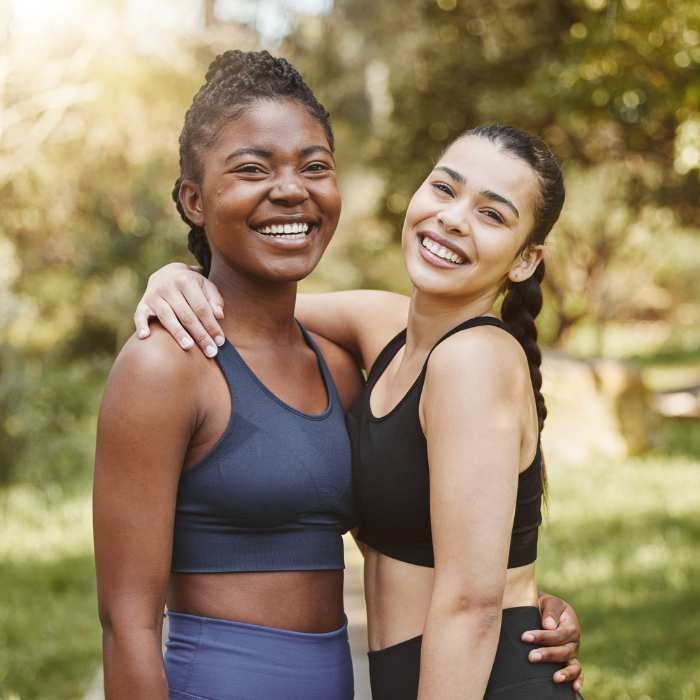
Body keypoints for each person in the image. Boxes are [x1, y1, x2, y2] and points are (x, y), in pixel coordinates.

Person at [136, 115, 585, 695]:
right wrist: (174, 277)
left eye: (492, 214)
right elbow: (256, 309)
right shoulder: (390, 329)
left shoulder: (475, 360)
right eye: (445, 188)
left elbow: (473, 604)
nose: (452, 219)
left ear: (525, 260)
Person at [94, 50, 365, 700]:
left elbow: (416, 544)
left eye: (315, 166)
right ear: (194, 200)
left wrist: (528, 602)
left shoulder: (340, 366)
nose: (292, 188)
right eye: (252, 168)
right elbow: (126, 624)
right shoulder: (166, 364)